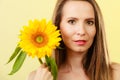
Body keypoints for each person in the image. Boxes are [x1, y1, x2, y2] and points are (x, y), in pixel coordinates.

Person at [27, 0, 120, 80]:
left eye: (89, 22)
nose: (82, 31)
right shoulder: (36, 77)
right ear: (57, 26)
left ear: (97, 28)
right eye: (72, 21)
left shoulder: (116, 73)